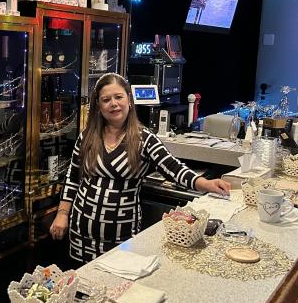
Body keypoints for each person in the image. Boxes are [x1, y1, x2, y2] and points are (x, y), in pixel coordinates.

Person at [49, 73, 231, 263]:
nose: (113, 104)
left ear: (129, 99)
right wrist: (62, 214)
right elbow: (73, 178)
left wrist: (207, 184)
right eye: (106, 100)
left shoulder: (144, 139)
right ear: (98, 105)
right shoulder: (87, 136)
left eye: (118, 97)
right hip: (80, 235)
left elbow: (174, 169)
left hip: (122, 238)